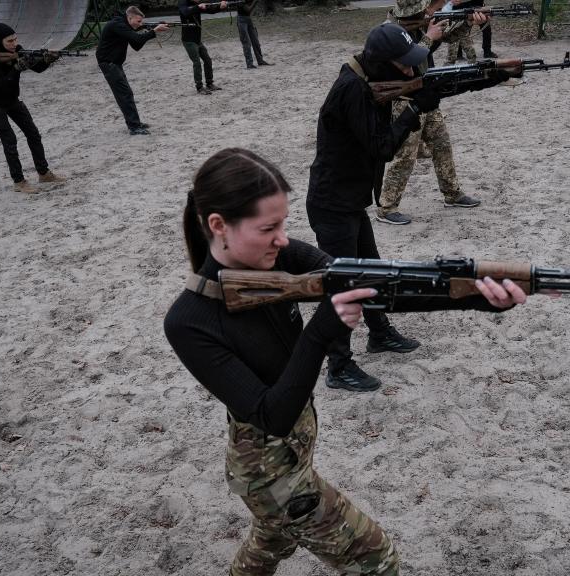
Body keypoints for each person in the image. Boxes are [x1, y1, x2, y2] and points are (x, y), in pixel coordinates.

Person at [164, 147, 525, 575]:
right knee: (378, 561)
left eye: (283, 223)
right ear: (219, 226)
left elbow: (376, 288)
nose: (283, 238)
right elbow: (272, 414)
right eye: (269, 227)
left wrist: (478, 300)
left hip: (294, 452)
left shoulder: (277, 259)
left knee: (270, 540)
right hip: (271, 476)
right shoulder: (189, 322)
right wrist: (322, 330)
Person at [306, 22, 443, 392]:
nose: (411, 71)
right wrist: (413, 110)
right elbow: (382, 147)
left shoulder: (364, 78)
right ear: (382, 63)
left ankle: (379, 333)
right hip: (332, 204)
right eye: (403, 66)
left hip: (349, 200)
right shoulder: (351, 88)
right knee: (343, 286)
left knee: (372, 270)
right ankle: (338, 366)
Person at [377, 0, 489, 225]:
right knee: (405, 157)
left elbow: (448, 37)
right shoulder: (390, 31)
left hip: (426, 95)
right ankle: (387, 207)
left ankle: (452, 193)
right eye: (428, 8)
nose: (433, 10)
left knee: (442, 145)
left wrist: (467, 23)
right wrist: (429, 35)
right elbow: (410, 58)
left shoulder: (420, 23)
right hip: (404, 101)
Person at [0, 23, 66, 193]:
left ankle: (44, 173)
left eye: (15, 39)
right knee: (10, 140)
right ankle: (19, 181)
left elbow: (38, 68)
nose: (14, 43)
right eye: (10, 41)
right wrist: (17, 68)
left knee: (33, 133)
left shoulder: (17, 50)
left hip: (12, 99)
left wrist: (47, 59)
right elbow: (0, 84)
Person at [95, 6, 168, 135]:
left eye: (141, 22)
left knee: (127, 94)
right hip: (109, 64)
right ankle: (134, 127)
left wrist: (149, 29)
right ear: (129, 17)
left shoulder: (124, 25)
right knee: (124, 95)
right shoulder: (117, 25)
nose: (140, 24)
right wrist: (153, 31)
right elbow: (137, 39)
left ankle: (135, 123)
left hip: (115, 63)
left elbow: (136, 45)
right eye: (138, 21)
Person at [178, 0, 226, 94]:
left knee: (207, 60)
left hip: (197, 40)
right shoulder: (182, 2)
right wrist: (198, 7)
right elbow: (185, 12)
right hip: (188, 40)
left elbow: (209, 9)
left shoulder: (196, 4)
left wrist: (220, 7)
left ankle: (209, 83)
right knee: (197, 62)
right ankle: (199, 87)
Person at [234, 0, 272, 69]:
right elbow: (248, 10)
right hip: (241, 20)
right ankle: (249, 64)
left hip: (248, 19)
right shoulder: (239, 1)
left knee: (255, 41)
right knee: (246, 43)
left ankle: (260, 60)